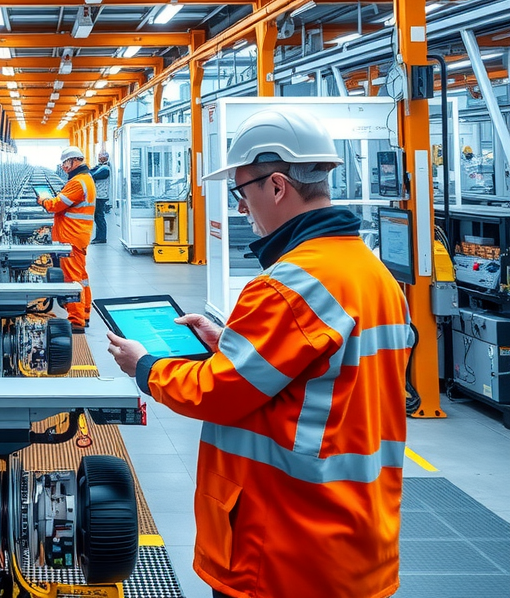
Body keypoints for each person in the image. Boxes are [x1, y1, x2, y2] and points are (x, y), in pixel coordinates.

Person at [106, 109, 413, 598]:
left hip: (283, 547)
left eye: (242, 193)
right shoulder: (373, 274)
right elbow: (321, 378)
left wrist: (145, 367)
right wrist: (230, 343)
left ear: (276, 186)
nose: (242, 208)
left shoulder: (288, 284)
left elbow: (216, 393)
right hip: (357, 535)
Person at [39, 145, 95, 333]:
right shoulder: (85, 179)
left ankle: (76, 321)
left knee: (72, 279)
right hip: (78, 235)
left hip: (71, 237)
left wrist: (43, 200)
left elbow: (56, 205)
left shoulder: (78, 182)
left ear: (75, 161)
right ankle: (84, 313)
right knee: (82, 277)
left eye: (66, 162)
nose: (64, 167)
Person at [91, 149, 111, 244]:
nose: (99, 158)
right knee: (97, 216)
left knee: (99, 216)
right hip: (98, 195)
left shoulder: (105, 168)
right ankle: (99, 236)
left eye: (101, 156)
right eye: (99, 156)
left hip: (101, 195)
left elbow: (93, 175)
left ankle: (101, 237)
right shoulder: (100, 167)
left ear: (106, 158)